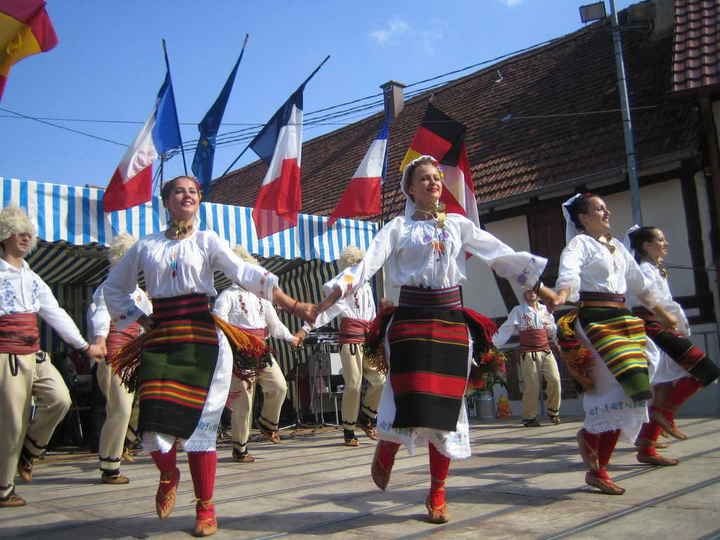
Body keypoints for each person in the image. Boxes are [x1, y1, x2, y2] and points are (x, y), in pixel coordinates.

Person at [315, 156, 546, 523]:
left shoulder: (457, 224)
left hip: (451, 321)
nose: (434, 183)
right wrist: (332, 295)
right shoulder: (397, 228)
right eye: (424, 179)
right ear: (409, 189)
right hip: (409, 322)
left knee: (446, 410)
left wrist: (538, 284)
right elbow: (367, 266)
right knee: (408, 396)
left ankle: (437, 492)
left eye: (437, 178)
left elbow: (498, 254)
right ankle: (388, 446)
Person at [103, 176, 315, 537]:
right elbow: (114, 287)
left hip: (204, 338)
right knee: (153, 425)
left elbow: (245, 273)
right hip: (162, 338)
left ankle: (205, 506)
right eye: (178, 191)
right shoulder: (146, 246)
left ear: (199, 200)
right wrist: (141, 318)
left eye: (193, 191)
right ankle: (169, 474)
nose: (187, 195)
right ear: (166, 200)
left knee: (201, 429)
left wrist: (292, 303)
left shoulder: (207, 240)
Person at [545, 193, 678, 496]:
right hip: (595, 320)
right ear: (583, 217)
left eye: (606, 208)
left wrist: (664, 315)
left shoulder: (617, 247)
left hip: (623, 319)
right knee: (613, 391)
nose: (606, 213)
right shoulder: (580, 244)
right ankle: (598, 467)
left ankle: (592, 442)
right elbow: (569, 273)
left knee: (636, 386)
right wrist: (562, 295)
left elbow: (641, 288)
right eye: (599, 209)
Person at [0, 206, 104, 508]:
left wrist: (84, 346)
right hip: (7, 353)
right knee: (12, 422)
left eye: (28, 232)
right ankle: (4, 488)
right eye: (18, 231)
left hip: (33, 353)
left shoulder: (31, 276)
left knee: (60, 399)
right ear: (5, 235)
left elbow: (54, 312)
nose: (25, 236)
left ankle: (30, 451)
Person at [627, 226, 719, 466]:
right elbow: (644, 299)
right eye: (660, 239)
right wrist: (666, 318)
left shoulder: (655, 269)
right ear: (646, 245)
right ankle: (664, 414)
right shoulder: (644, 270)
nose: (666, 243)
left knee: (664, 386)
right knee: (706, 370)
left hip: (663, 328)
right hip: (656, 329)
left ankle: (647, 446)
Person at [213, 245, 301, 463]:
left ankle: (267, 424)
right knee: (244, 401)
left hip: (261, 350)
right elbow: (217, 324)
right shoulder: (227, 296)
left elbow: (275, 324)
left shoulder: (262, 298)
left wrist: (291, 338)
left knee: (279, 386)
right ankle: (239, 447)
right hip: (239, 353)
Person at [298, 246, 386, 447]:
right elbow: (325, 312)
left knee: (380, 380)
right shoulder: (346, 288)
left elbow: (372, 316)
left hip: (368, 340)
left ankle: (367, 417)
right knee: (353, 384)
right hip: (350, 340)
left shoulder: (366, 287)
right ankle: (348, 429)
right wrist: (304, 330)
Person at [87, 233, 152, 484]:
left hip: (135, 357)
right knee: (120, 409)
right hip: (115, 357)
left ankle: (122, 449)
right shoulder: (108, 287)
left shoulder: (139, 293)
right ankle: (110, 464)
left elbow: (149, 321)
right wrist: (101, 339)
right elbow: (100, 314)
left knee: (128, 407)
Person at [492, 288, 561, 427]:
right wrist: (493, 344)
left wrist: (552, 332)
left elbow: (553, 330)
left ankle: (553, 411)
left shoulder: (546, 310)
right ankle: (529, 417)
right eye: (529, 291)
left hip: (546, 350)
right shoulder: (519, 310)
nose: (532, 293)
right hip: (529, 352)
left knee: (555, 379)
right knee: (532, 385)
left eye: (534, 291)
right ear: (524, 294)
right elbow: (507, 328)